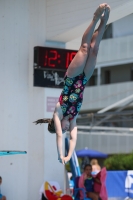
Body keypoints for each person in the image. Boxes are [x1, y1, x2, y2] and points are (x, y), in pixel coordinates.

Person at [34, 3, 111, 164]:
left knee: (84, 48)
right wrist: (69, 156)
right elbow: (73, 138)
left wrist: (59, 154)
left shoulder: (58, 112)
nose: (66, 129)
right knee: (94, 50)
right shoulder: (73, 118)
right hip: (83, 79)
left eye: (63, 128)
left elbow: (60, 136)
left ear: (57, 125)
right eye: (66, 129)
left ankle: (95, 18)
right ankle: (104, 23)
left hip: (72, 77)